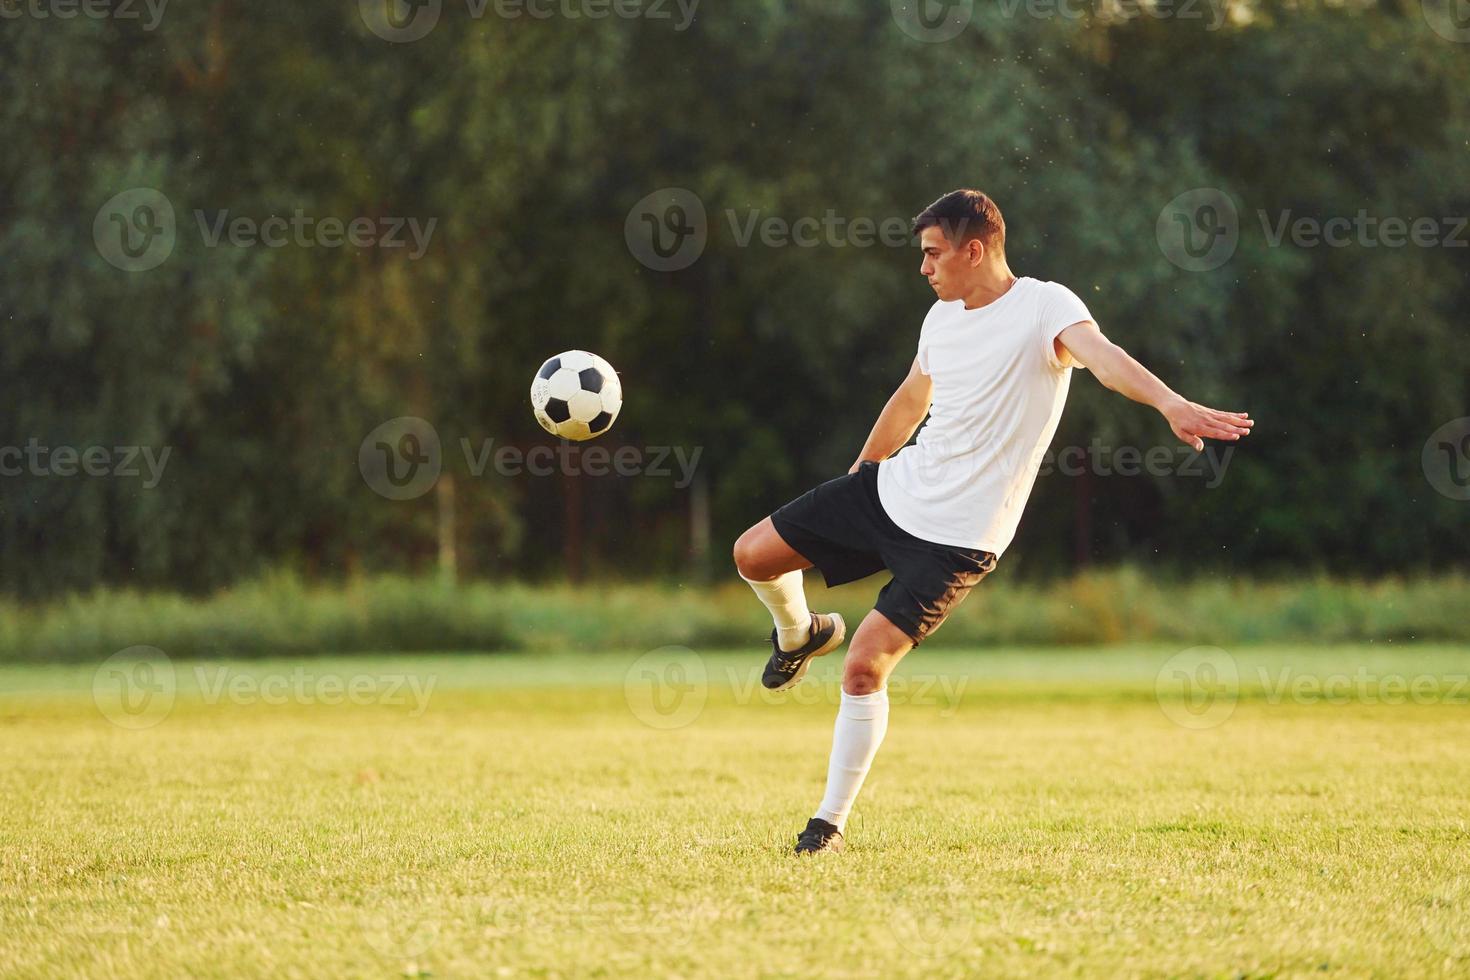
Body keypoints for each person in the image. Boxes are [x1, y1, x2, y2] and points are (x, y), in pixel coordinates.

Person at [731, 189, 1254, 854]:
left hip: (960, 538)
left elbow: (1103, 357)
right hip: (893, 489)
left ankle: (826, 826)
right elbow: (912, 397)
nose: (923, 267)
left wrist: (1169, 403)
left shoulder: (1046, 306)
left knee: (863, 668)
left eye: (932, 253)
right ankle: (800, 634)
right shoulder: (940, 318)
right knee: (752, 555)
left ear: (973, 249)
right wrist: (862, 472)